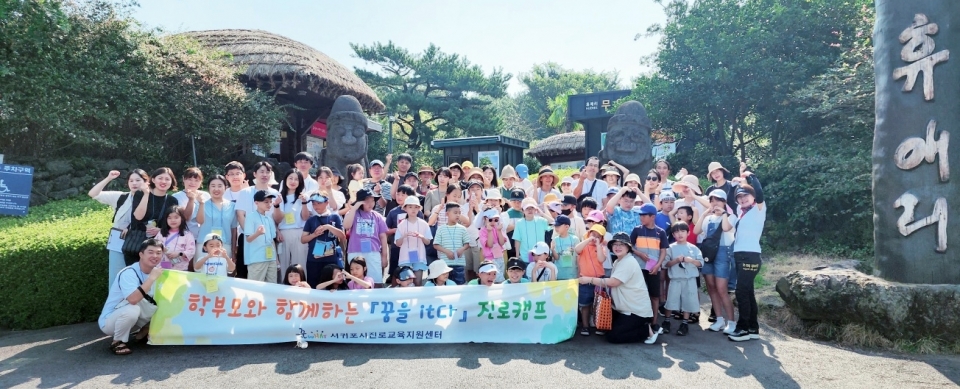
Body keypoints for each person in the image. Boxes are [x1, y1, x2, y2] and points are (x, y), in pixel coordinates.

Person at [578, 232, 657, 344]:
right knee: (607, 329)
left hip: (635, 311)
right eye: (615, 244)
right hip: (623, 308)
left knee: (614, 337)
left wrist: (589, 279)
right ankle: (641, 326)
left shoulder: (628, 262)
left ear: (628, 247)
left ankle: (645, 330)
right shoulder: (618, 261)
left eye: (622, 244)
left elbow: (614, 282)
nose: (618, 247)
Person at [99, 238, 163, 355]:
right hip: (111, 321)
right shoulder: (128, 273)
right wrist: (151, 279)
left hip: (135, 321)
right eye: (151, 252)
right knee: (132, 309)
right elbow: (133, 299)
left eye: (158, 253)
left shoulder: (159, 272)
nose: (155, 255)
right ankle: (117, 341)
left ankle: (144, 332)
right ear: (141, 254)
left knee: (164, 303)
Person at [89, 169, 149, 286]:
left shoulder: (151, 198)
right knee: (117, 277)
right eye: (131, 180)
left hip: (139, 242)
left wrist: (131, 229)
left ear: (146, 182)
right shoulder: (121, 197)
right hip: (118, 241)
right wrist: (109, 178)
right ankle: (116, 304)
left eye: (138, 180)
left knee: (138, 278)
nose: (134, 183)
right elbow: (93, 194)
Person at [729, 163, 766, 342]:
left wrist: (750, 176)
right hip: (739, 254)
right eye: (740, 197)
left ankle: (742, 328)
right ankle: (753, 327)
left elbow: (759, 191)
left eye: (746, 196)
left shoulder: (759, 209)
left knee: (741, 291)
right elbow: (730, 200)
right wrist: (736, 183)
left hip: (750, 255)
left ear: (753, 197)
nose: (742, 200)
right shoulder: (740, 212)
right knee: (748, 291)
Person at [696, 189, 738, 334]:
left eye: (718, 200)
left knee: (722, 289)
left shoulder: (731, 216)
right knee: (711, 287)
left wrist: (724, 213)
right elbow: (696, 231)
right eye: (712, 200)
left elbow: (726, 228)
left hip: (722, 254)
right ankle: (719, 320)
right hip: (708, 254)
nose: (715, 203)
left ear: (725, 202)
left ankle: (731, 322)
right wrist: (704, 214)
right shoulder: (708, 218)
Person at [235, 161, 279, 279]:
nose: (264, 174)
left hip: (269, 250)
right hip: (251, 244)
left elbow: (275, 223)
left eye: (267, 172)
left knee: (271, 282)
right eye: (261, 171)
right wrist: (252, 232)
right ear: (255, 174)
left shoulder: (275, 194)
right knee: (250, 277)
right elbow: (240, 215)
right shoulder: (245, 192)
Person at [630, 203, 668, 334]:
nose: (641, 217)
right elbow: (629, 246)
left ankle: (654, 322)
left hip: (654, 269)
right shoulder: (637, 230)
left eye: (644, 215)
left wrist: (658, 265)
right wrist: (639, 253)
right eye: (640, 214)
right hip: (638, 268)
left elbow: (663, 251)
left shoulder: (660, 232)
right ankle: (640, 321)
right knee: (639, 294)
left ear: (652, 217)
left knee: (655, 295)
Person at [661, 222, 703, 336]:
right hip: (675, 279)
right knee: (671, 300)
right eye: (676, 232)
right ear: (673, 234)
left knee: (688, 301)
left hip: (690, 279)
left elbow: (700, 263)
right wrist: (676, 261)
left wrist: (691, 261)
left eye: (682, 231)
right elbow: (665, 264)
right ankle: (667, 320)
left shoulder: (694, 248)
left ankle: (685, 323)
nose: (680, 234)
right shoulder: (670, 248)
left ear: (688, 233)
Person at [129, 167, 177, 265]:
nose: (163, 181)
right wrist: (146, 194)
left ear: (171, 182)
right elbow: (138, 216)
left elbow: (174, 224)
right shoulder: (140, 194)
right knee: (135, 275)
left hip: (159, 246)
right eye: (160, 178)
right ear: (153, 179)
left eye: (167, 179)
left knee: (156, 277)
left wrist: (161, 230)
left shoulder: (172, 200)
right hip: (137, 243)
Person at [343, 189, 389, 287]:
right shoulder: (352, 213)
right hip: (355, 251)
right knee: (356, 280)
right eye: (367, 201)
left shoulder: (377, 216)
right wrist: (354, 208)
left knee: (375, 280)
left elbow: (383, 236)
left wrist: (384, 256)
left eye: (372, 201)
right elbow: (346, 226)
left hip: (373, 252)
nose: (370, 204)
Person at [301, 193, 346, 288]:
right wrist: (314, 235)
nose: (316, 206)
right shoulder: (311, 220)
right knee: (314, 285)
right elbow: (303, 239)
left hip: (331, 259)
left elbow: (342, 235)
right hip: (314, 259)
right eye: (313, 204)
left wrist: (328, 227)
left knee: (333, 284)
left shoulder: (335, 217)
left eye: (318, 203)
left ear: (327, 203)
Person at [196, 175, 238, 272]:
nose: (216, 189)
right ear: (208, 188)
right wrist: (201, 204)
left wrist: (233, 250)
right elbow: (199, 221)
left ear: (225, 188)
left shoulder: (232, 206)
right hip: (205, 245)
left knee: (223, 272)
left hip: (224, 245)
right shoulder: (202, 203)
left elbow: (233, 228)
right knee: (202, 272)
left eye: (220, 186)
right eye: (213, 186)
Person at [575, 224, 608, 336]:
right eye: (593, 234)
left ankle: (599, 325)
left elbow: (601, 259)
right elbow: (576, 249)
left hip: (599, 280)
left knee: (599, 304)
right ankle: (585, 326)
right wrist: (588, 240)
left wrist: (599, 245)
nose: (595, 238)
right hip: (585, 281)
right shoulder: (583, 247)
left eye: (598, 236)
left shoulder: (602, 249)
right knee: (585, 305)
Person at [172, 167, 210, 261]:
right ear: (184, 179)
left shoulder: (206, 195)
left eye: (196, 180)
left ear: (201, 182)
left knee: (199, 264)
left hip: (202, 237)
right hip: (182, 237)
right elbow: (185, 218)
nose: (192, 183)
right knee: (184, 264)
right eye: (189, 179)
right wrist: (191, 199)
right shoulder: (176, 197)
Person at [277, 170, 310, 273]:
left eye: (296, 179)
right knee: (283, 265)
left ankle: (301, 287)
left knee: (300, 265)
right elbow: (274, 218)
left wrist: (304, 203)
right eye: (290, 178)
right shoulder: (278, 197)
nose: (293, 181)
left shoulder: (304, 197)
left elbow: (305, 217)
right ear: (285, 180)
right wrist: (277, 231)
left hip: (299, 232)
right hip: (283, 234)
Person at [395, 196, 432, 286]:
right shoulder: (402, 224)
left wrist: (421, 237)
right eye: (410, 207)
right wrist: (404, 236)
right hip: (405, 257)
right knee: (405, 282)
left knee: (418, 281)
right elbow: (397, 243)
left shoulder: (424, 224)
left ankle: (419, 300)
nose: (413, 209)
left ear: (419, 209)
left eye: (416, 207)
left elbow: (428, 242)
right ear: (405, 208)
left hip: (419, 256)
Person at [386, 185, 423, 275]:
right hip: (397, 246)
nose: (399, 197)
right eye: (398, 194)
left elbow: (422, 227)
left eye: (403, 195)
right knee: (396, 268)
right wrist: (395, 230)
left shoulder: (417, 212)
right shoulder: (393, 212)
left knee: (413, 268)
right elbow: (386, 229)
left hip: (414, 245)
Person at [244, 190, 279, 283]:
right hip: (257, 259)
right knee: (255, 287)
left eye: (270, 201)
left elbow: (272, 240)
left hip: (271, 258)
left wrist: (276, 259)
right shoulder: (251, 217)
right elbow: (248, 239)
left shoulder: (269, 218)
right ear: (256, 203)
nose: (269, 204)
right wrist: (257, 233)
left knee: (272, 286)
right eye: (266, 202)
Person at [433, 202, 471, 285]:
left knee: (459, 285)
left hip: (459, 263)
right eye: (455, 213)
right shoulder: (441, 229)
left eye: (459, 213)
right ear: (447, 214)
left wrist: (462, 249)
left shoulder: (462, 229)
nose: (458, 215)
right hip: (445, 265)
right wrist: (447, 251)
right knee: (446, 285)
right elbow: (435, 245)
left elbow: (467, 243)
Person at [156, 204, 195, 271]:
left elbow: (191, 251)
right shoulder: (161, 233)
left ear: (182, 218)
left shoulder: (188, 235)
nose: (173, 220)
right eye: (169, 218)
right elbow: (154, 245)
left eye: (176, 217)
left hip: (180, 269)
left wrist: (179, 253)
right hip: (162, 267)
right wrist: (162, 249)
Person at [477, 208, 508, 282]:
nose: (493, 222)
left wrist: (499, 231)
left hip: (500, 257)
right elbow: (490, 245)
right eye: (490, 220)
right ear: (485, 219)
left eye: (496, 220)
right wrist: (489, 231)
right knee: (496, 279)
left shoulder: (498, 228)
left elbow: (502, 243)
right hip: (490, 259)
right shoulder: (483, 231)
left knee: (500, 276)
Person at [551, 215, 580, 280]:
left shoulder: (575, 239)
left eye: (558, 226)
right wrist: (552, 249)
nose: (556, 228)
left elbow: (578, 257)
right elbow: (556, 257)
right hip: (559, 274)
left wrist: (579, 271)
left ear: (567, 227)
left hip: (572, 274)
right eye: (555, 226)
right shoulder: (555, 240)